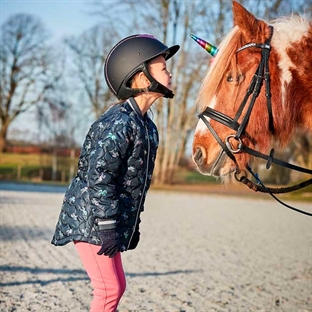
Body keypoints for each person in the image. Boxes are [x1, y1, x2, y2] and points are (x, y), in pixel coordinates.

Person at [51, 34, 180, 312]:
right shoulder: (119, 122)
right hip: (92, 219)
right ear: (143, 77)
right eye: (163, 68)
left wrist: (131, 225)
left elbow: (136, 182)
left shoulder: (147, 126)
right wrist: (109, 226)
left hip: (106, 220)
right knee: (109, 290)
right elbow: (99, 176)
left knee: (116, 287)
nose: (170, 73)